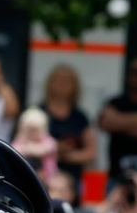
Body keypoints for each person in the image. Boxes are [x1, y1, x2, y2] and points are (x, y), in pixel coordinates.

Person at [41, 63, 96, 191]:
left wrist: (67, 155)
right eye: (58, 80)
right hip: (43, 177)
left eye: (67, 81)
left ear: (75, 86)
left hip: (72, 181)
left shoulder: (80, 117)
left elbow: (91, 152)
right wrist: (54, 149)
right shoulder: (38, 113)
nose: (62, 85)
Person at [12, 106, 58, 178]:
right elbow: (14, 150)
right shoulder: (21, 138)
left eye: (35, 130)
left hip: (47, 177)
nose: (32, 133)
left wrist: (29, 148)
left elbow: (48, 148)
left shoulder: (46, 139)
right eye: (29, 129)